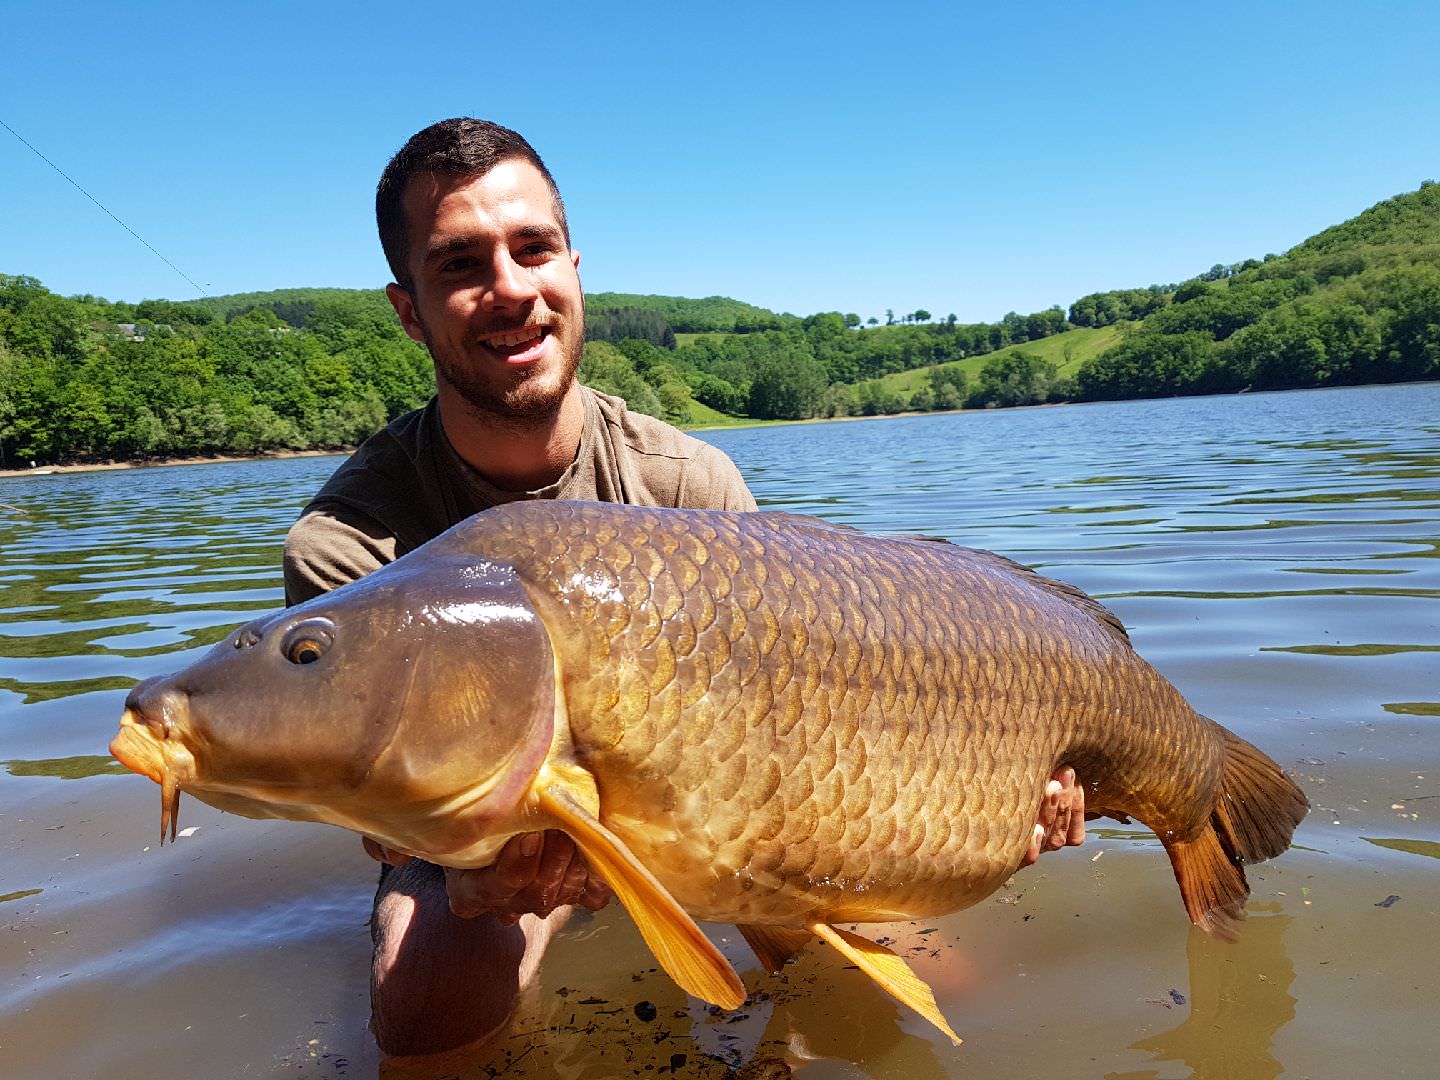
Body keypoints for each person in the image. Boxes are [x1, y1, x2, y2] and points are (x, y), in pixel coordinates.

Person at [284, 118, 1085, 1059]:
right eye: (461, 265)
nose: (511, 290)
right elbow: (383, 819)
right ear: (410, 309)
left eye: (533, 249)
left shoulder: (687, 485)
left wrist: (977, 810)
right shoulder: (349, 544)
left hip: (717, 815)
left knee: (937, 998)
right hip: (481, 847)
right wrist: (478, 874)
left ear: (574, 268)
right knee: (427, 1021)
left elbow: (798, 741)